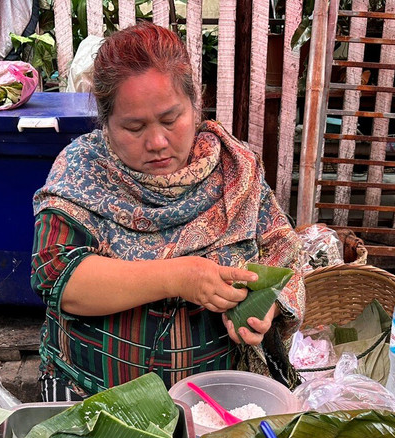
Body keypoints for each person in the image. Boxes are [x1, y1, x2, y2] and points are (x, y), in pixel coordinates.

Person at [30, 22, 305, 401]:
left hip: (213, 407)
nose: (157, 142)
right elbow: (58, 277)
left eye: (171, 119)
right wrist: (179, 276)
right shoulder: (82, 171)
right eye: (134, 126)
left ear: (196, 104)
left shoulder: (234, 169)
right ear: (106, 124)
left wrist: (266, 307)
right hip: (95, 400)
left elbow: (283, 252)